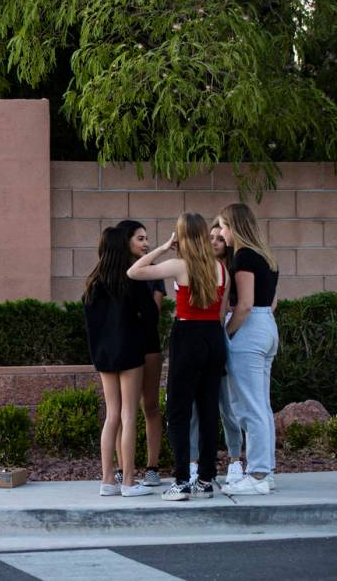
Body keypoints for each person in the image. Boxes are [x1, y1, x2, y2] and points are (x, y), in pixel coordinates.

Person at [128, 213, 227, 501]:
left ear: (182, 237)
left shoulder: (178, 265)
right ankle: (206, 479)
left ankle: (182, 480)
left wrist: (161, 248)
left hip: (188, 336)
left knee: (178, 412)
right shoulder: (220, 268)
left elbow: (134, 272)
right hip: (213, 337)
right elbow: (220, 311)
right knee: (209, 410)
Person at [83, 227, 153, 497]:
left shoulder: (92, 282)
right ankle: (129, 482)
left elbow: (90, 327)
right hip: (130, 352)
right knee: (129, 416)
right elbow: (149, 315)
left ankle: (108, 480)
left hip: (103, 356)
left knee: (111, 416)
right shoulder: (131, 279)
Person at [218, 203, 279, 496]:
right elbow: (271, 302)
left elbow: (243, 304)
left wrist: (226, 335)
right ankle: (266, 471)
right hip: (267, 325)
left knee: (248, 406)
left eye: (223, 226)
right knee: (261, 405)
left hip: (250, 328)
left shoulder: (243, 257)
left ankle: (256, 474)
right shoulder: (265, 256)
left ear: (234, 226)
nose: (221, 232)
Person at [189, 222, 245, 485]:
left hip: (223, 339)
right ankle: (192, 462)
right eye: (209, 237)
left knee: (227, 405)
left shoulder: (233, 270)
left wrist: (228, 332)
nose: (214, 242)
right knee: (193, 409)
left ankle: (235, 460)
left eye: (219, 238)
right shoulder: (193, 270)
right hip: (197, 340)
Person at [114, 220, 165, 488]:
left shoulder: (153, 270)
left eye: (147, 238)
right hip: (122, 345)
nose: (146, 243)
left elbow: (153, 313)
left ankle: (152, 467)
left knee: (150, 405)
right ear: (126, 241)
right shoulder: (114, 270)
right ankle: (123, 468)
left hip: (147, 343)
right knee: (122, 409)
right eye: (140, 238)